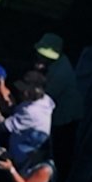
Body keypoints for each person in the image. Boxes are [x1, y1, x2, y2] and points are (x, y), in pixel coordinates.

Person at [33, 33, 82, 172]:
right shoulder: (57, 63)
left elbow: (44, 97)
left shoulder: (60, 74)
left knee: (62, 144)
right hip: (64, 109)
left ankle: (62, 171)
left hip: (65, 114)